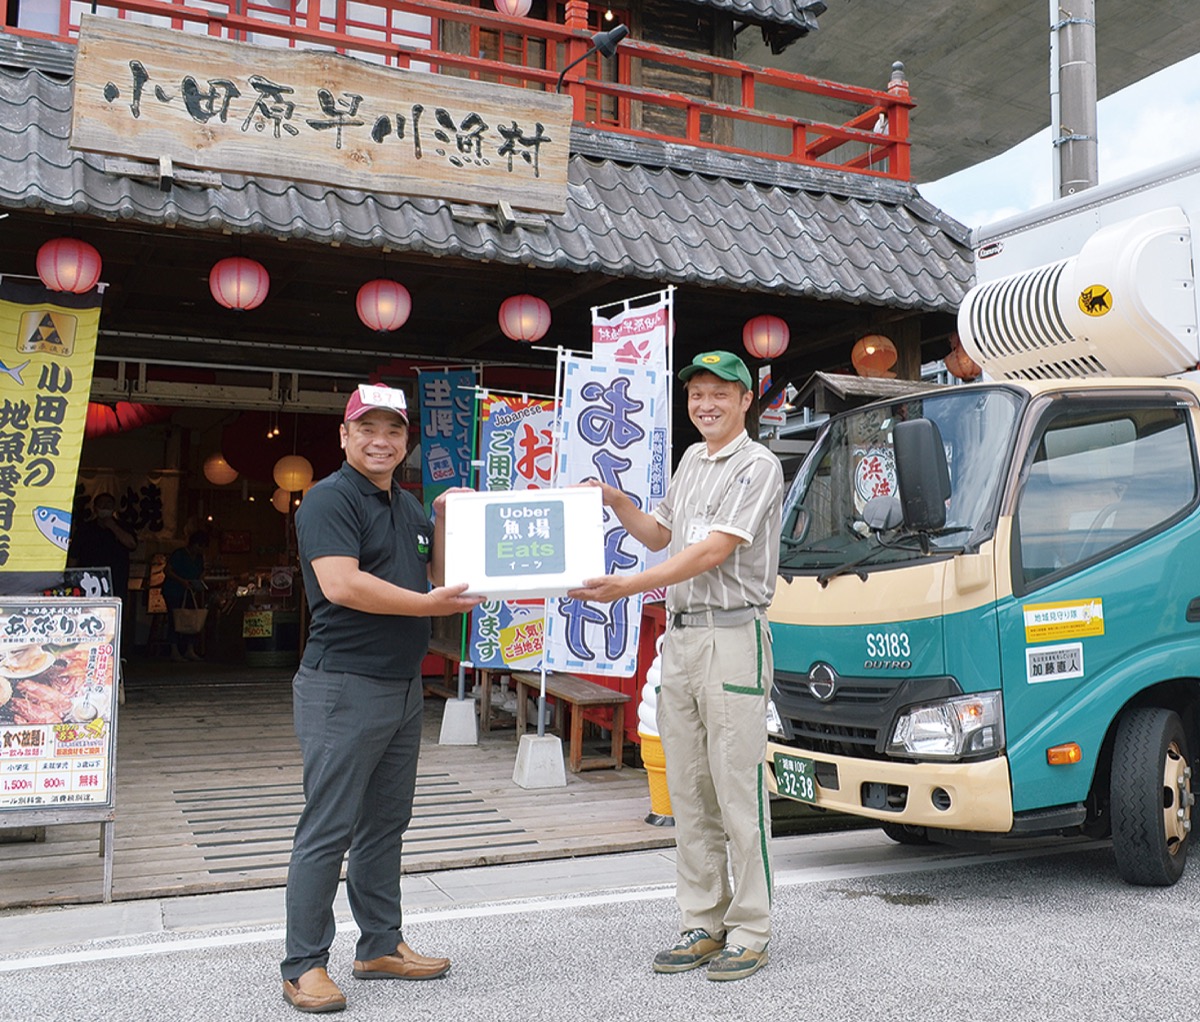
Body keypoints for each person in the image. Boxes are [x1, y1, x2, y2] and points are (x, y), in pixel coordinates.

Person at [568, 350, 784, 982]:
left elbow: (713, 552)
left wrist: (629, 586)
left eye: (721, 392)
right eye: (697, 394)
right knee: (688, 789)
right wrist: (613, 499)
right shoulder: (691, 460)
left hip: (735, 636)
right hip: (683, 641)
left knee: (738, 790)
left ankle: (750, 929)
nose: (706, 403)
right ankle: (702, 920)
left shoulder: (758, 465)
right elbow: (663, 534)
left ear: (747, 401)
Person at [280, 382, 482, 1014]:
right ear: (344, 436)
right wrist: (426, 605)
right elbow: (341, 585)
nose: (381, 441)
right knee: (328, 827)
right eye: (367, 428)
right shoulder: (327, 500)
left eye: (394, 431)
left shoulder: (410, 507)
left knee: (386, 825)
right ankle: (303, 964)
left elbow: (442, 578)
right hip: (343, 684)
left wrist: (447, 520)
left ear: (406, 442)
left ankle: (379, 947)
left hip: (400, 686)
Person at [162, 530, 208, 662]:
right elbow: (167, 570)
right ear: (193, 544)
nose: (201, 549)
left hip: (189, 591)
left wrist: (200, 578)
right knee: (175, 618)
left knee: (191, 619)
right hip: (174, 590)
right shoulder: (179, 554)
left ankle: (189, 649)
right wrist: (181, 581)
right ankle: (174, 650)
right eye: (200, 546)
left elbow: (199, 573)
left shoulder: (199, 558)